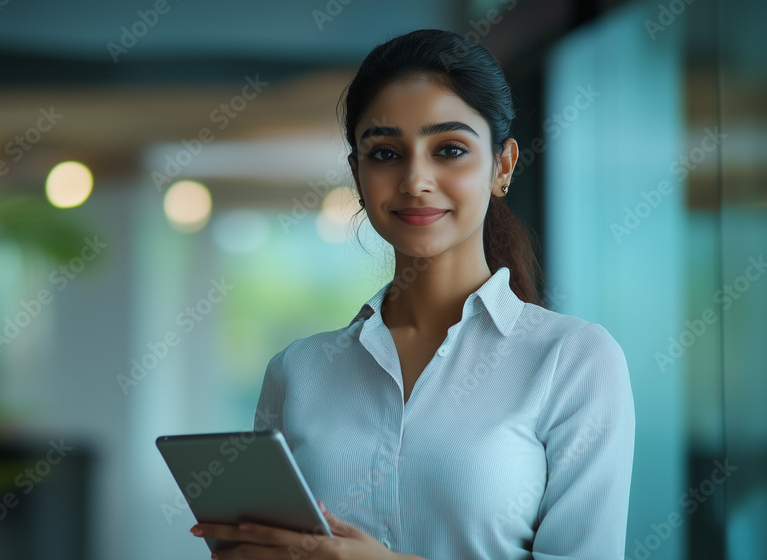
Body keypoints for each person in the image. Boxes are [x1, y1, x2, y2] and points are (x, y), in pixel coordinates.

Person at [190, 28, 635, 560]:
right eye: (384, 153)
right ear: (357, 173)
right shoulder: (297, 371)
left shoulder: (574, 361)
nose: (415, 180)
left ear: (503, 165)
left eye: (449, 149)